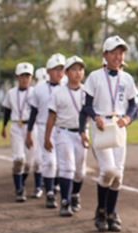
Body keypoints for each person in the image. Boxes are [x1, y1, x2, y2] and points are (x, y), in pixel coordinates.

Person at [79, 35, 138, 232]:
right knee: (108, 171)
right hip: (101, 126)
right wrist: (95, 117)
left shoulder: (127, 78)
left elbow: (134, 107)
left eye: (121, 53)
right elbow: (86, 106)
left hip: (119, 126)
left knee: (118, 175)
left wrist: (128, 119)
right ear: (105, 54)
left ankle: (111, 212)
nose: (118, 56)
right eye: (114, 52)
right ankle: (101, 210)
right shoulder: (95, 77)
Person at [45, 56, 87, 217]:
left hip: (82, 133)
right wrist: (47, 137)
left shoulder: (86, 92)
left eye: (81, 69)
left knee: (80, 171)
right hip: (63, 132)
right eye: (74, 69)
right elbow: (51, 116)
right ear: (67, 72)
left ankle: (75, 195)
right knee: (67, 167)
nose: (78, 73)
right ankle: (65, 201)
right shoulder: (58, 92)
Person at [26, 53, 66, 208]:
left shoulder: (67, 88)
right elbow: (33, 113)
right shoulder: (39, 89)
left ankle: (64, 193)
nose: (59, 73)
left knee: (63, 163)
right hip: (43, 127)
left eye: (61, 69)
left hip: (62, 128)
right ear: (48, 71)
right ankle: (49, 193)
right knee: (49, 161)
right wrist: (29, 133)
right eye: (55, 69)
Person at [1, 62, 42, 202]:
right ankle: (19, 190)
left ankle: (21, 182)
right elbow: (7, 111)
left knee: (29, 163)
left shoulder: (35, 92)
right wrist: (4, 127)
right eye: (22, 76)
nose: (25, 79)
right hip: (16, 127)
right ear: (16, 77)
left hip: (31, 127)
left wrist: (31, 132)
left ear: (31, 78)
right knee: (19, 159)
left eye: (28, 76)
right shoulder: (11, 92)